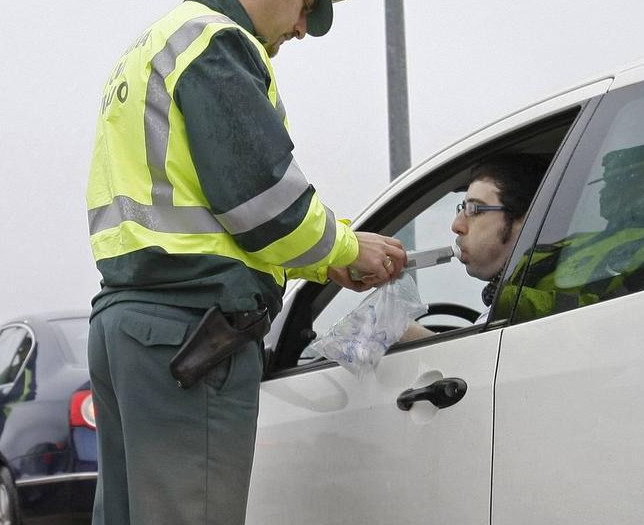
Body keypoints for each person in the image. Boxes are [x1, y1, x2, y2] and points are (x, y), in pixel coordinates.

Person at [84, 0, 408, 523]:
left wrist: (321, 265)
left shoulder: (155, 44)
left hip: (129, 326)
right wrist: (347, 247)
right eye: (307, 8)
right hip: (192, 336)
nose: (304, 29)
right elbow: (264, 204)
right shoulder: (215, 42)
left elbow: (209, 220)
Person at [502, 136, 644, 321]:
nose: (604, 191)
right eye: (605, 181)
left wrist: (511, 301)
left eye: (619, 179)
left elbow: (611, 317)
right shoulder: (571, 242)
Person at [401, 153, 549, 340]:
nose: (456, 225)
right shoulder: (527, 297)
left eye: (474, 209)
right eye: (462, 208)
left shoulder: (531, 305)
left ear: (525, 220)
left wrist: (400, 329)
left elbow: (476, 365)